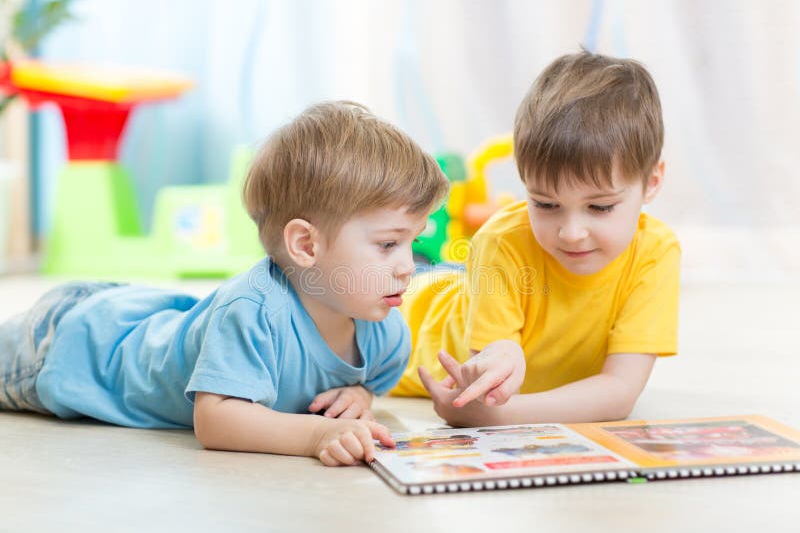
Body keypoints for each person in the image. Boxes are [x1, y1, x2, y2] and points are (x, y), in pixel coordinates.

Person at [0, 101, 450, 466]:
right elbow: (216, 420)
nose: (408, 266)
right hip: (72, 349)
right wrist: (317, 433)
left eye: (414, 242)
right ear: (306, 246)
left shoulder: (383, 326)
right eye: (388, 244)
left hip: (139, 316)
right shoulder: (253, 309)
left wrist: (358, 394)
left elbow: (376, 379)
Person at [391, 50, 680, 427]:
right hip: (402, 326)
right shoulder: (501, 242)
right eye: (545, 203)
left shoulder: (657, 253)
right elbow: (494, 361)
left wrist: (499, 415)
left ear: (651, 183)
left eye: (600, 207)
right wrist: (495, 390)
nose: (571, 233)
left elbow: (619, 392)